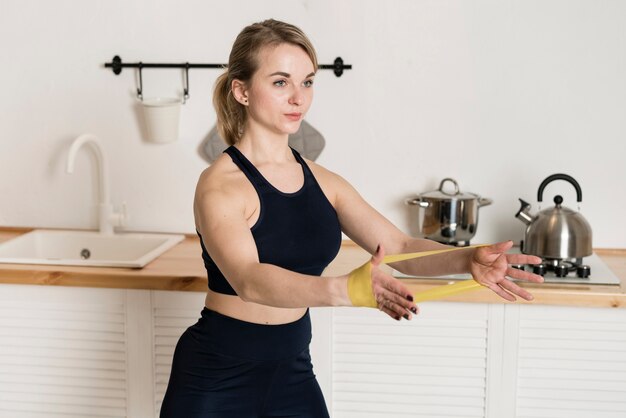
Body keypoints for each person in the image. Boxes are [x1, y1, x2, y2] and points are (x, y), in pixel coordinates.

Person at [159, 19, 543, 418]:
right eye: (280, 82)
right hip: (217, 374)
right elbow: (250, 280)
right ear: (241, 90)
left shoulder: (323, 181)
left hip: (292, 370)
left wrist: (466, 260)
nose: (298, 98)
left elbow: (399, 247)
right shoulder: (219, 185)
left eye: (307, 82)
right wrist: (347, 290)